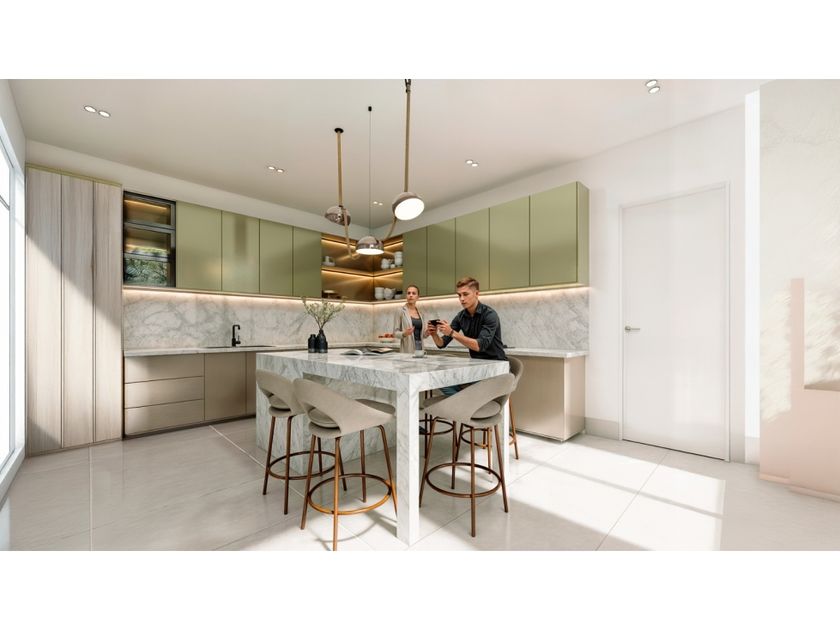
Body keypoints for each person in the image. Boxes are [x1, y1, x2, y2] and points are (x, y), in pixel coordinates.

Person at [427, 276, 507, 395]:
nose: (462, 299)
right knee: (439, 380)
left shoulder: (490, 315)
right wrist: (434, 334)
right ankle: (466, 402)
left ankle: (466, 401)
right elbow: (441, 344)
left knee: (452, 385)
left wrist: (452, 333)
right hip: (476, 367)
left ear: (477, 294)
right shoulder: (461, 316)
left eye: (465, 294)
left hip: (495, 367)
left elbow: (480, 346)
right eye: (459, 295)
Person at [392, 284, 429, 354]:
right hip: (407, 350)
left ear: (418, 297)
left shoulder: (421, 313)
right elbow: (395, 333)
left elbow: (422, 335)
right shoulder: (400, 311)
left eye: (414, 293)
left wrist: (427, 333)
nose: (411, 295)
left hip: (420, 349)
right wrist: (404, 333)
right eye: (408, 293)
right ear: (406, 296)